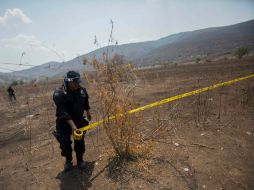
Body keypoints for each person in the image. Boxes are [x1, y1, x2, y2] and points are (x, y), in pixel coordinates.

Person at [53, 71, 91, 172]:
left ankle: (80, 159)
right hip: (64, 121)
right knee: (64, 142)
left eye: (78, 82)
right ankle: (68, 161)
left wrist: (88, 112)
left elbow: (85, 101)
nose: (78, 85)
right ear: (68, 82)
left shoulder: (82, 90)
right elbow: (64, 111)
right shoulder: (59, 93)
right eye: (75, 83)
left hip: (78, 119)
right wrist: (73, 126)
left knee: (79, 140)